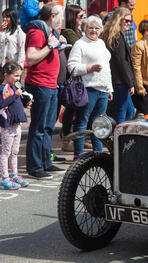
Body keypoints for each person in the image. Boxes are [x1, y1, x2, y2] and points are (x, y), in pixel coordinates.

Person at [24, 2, 66, 180]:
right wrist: (50, 47)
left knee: (48, 127)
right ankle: (35, 167)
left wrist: (59, 45)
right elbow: (31, 58)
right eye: (60, 15)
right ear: (52, 17)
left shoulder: (51, 32)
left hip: (50, 84)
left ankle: (45, 162)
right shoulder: (37, 32)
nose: (62, 19)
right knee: (39, 127)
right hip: (39, 85)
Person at [67, 15, 113, 160]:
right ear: (85, 28)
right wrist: (89, 68)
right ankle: (79, 155)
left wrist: (109, 88)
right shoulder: (80, 44)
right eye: (90, 27)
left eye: (97, 28)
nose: (94, 30)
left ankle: (98, 154)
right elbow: (72, 67)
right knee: (82, 122)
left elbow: (107, 68)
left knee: (99, 124)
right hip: (88, 89)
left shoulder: (101, 43)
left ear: (101, 30)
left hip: (102, 90)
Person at [102, 7, 135, 125]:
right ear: (118, 19)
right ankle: (117, 139)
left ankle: (116, 136)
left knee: (129, 112)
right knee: (122, 113)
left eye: (130, 21)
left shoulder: (113, 35)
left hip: (117, 80)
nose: (128, 23)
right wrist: (130, 83)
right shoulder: (117, 37)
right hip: (120, 81)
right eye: (125, 20)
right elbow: (122, 62)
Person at [0, 61, 29, 190]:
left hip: (17, 125)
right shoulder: (3, 88)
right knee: (5, 152)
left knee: (15, 152)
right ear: (6, 75)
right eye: (15, 76)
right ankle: (5, 178)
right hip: (7, 125)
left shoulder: (14, 87)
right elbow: (2, 103)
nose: (18, 79)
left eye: (19, 76)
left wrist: (25, 103)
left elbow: (17, 101)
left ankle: (15, 175)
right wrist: (14, 96)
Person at [60, 4, 84, 153]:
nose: (82, 19)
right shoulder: (68, 32)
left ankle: (76, 137)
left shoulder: (77, 31)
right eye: (80, 16)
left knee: (77, 107)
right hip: (72, 75)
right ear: (72, 17)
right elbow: (81, 46)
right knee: (72, 106)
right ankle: (67, 137)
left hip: (79, 74)